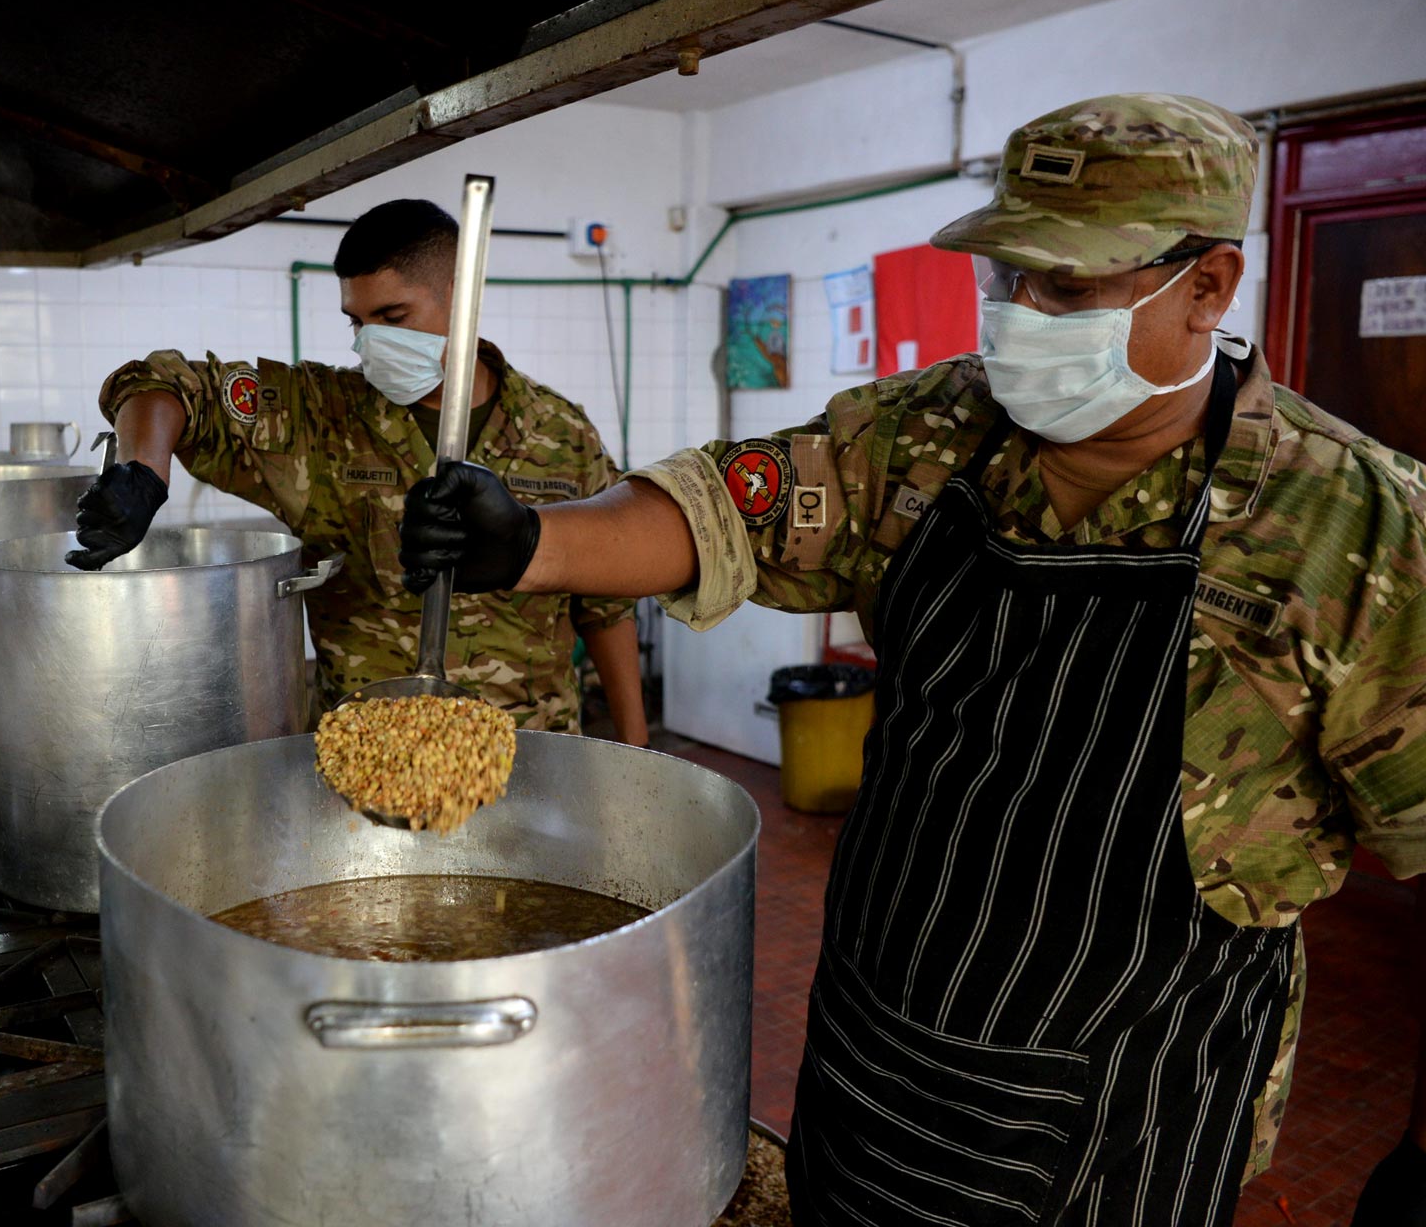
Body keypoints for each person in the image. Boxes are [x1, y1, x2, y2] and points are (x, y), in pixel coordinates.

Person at [399, 94, 1426, 1224]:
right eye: (1008, 279)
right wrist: (534, 540)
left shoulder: (1352, 526)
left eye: (1067, 285)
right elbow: (733, 508)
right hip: (882, 1044)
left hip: (1128, 1100)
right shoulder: (934, 431)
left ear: (1209, 285)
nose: (1023, 313)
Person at [68, 197, 648, 744]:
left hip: (529, 755)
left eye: (393, 315)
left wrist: (636, 752)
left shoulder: (563, 434)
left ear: (463, 297)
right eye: (357, 322)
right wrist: (145, 469)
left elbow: (606, 605)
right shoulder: (319, 416)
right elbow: (163, 381)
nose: (371, 342)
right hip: (366, 755)